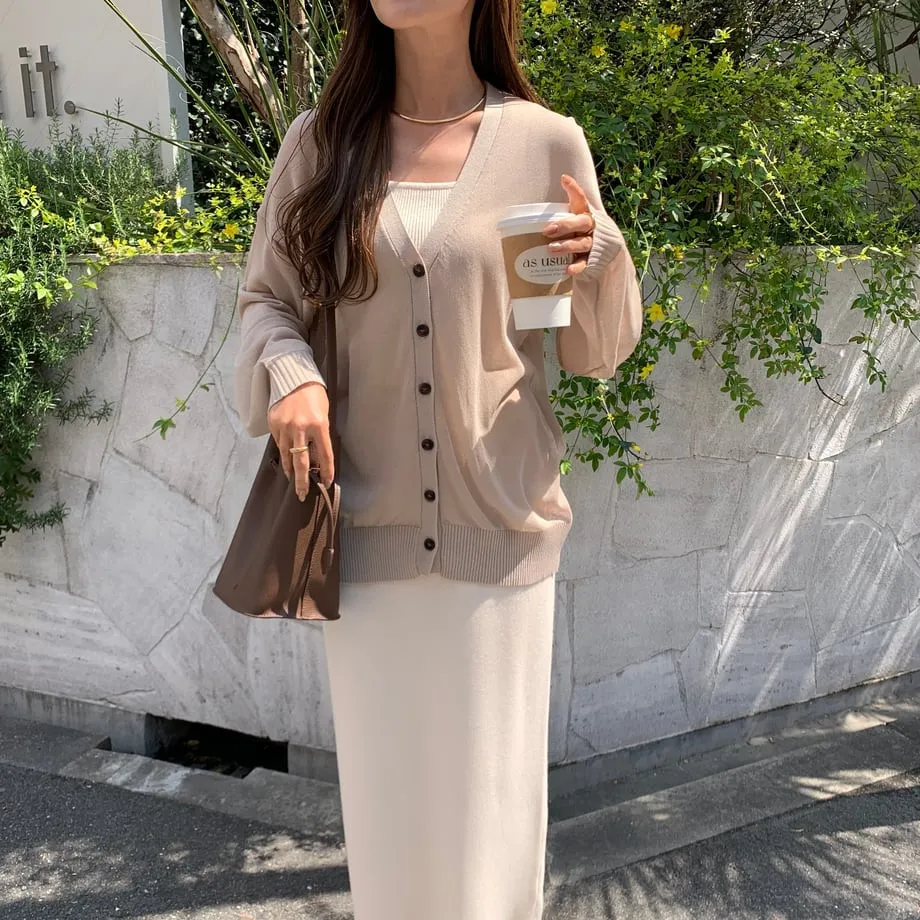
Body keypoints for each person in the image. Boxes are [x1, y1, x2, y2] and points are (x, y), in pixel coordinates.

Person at [233, 0, 643, 917]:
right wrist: (292, 373)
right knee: (394, 837)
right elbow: (266, 301)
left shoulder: (543, 144)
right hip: (369, 548)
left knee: (491, 840)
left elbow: (588, 352)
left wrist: (601, 258)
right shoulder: (320, 144)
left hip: (500, 541)